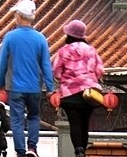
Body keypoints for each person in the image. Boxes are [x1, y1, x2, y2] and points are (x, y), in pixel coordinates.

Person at [0, 0, 53, 157]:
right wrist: (50, 87)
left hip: (15, 87)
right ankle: (32, 147)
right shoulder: (40, 39)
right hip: (35, 87)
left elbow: (2, 64)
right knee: (34, 117)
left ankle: (20, 151)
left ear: (20, 16)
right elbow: (46, 65)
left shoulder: (10, 37)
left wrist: (0, 84)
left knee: (17, 120)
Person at [51, 19, 104, 157]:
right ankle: (83, 152)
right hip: (88, 92)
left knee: (74, 123)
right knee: (85, 123)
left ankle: (78, 151)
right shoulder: (91, 50)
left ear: (68, 35)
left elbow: (56, 72)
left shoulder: (63, 51)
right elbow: (99, 71)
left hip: (69, 93)